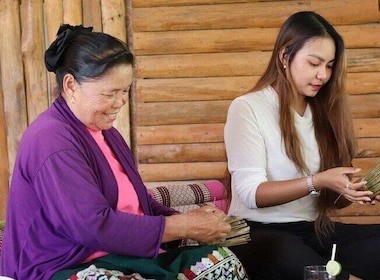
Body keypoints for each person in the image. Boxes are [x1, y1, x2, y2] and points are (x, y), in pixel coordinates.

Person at [0, 24, 247, 280]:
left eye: (125, 91)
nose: (120, 103)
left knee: (222, 264)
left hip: (121, 256)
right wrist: (182, 225)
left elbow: (140, 204)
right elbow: (92, 225)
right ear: (71, 85)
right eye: (110, 93)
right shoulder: (50, 138)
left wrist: (195, 223)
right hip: (60, 266)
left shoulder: (106, 133)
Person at [224, 11, 380, 280]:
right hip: (259, 233)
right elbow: (251, 194)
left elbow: (326, 200)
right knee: (282, 254)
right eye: (314, 63)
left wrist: (350, 193)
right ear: (284, 56)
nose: (323, 75)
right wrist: (317, 180)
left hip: (311, 232)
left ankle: (326, 275)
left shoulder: (323, 112)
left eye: (329, 65)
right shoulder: (248, 108)